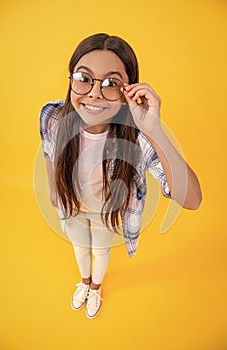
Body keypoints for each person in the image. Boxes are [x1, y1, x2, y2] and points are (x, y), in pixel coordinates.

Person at [39, 33, 202, 319]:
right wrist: (54, 187)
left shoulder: (138, 137)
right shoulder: (52, 115)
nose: (94, 93)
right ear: (71, 80)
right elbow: (49, 150)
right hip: (72, 206)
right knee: (80, 250)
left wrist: (153, 128)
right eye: (84, 78)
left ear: (130, 90)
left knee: (101, 253)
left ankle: (96, 289)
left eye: (111, 83)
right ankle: (85, 282)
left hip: (106, 212)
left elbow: (192, 200)